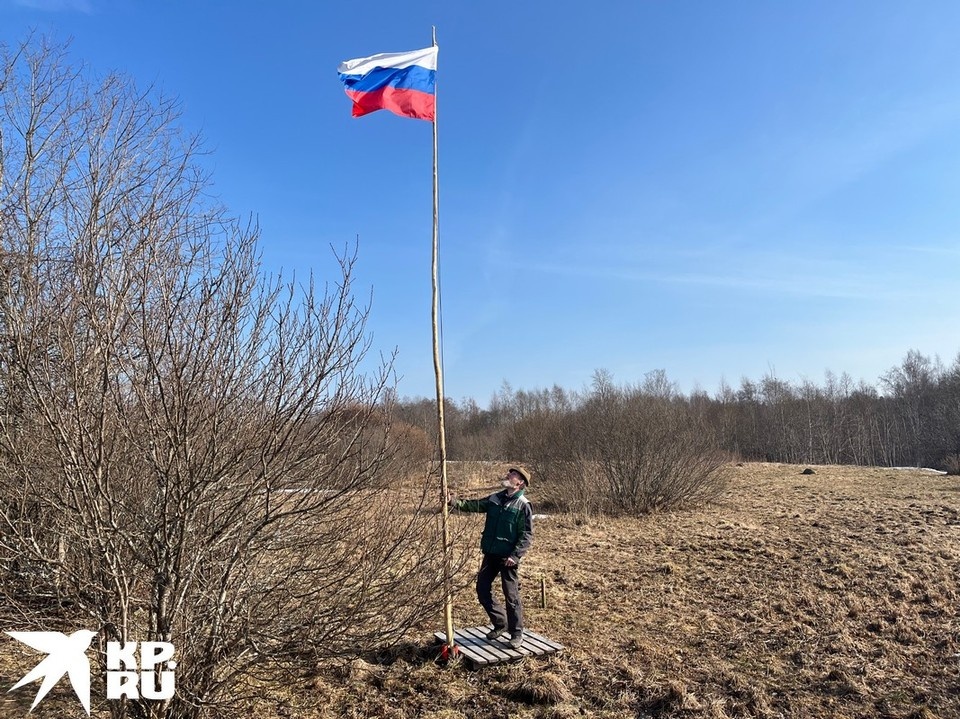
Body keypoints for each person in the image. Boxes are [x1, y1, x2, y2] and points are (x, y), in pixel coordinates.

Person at [450, 466, 534, 649]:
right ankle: (500, 623)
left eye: (512, 474)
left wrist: (516, 556)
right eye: (510, 473)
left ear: (520, 483)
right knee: (482, 589)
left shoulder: (523, 505)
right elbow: (475, 505)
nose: (508, 475)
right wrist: (453, 501)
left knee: (511, 596)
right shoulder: (495, 498)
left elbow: (526, 534)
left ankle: (516, 633)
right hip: (491, 553)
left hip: (508, 558)